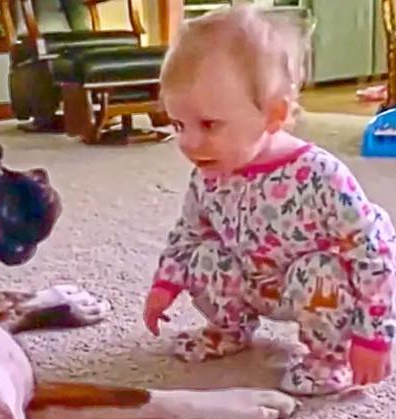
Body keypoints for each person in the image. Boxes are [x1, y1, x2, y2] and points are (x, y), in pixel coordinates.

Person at [143, 6, 396, 395]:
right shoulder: (209, 173)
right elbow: (188, 234)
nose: (189, 143)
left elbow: (374, 251)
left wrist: (375, 336)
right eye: (179, 125)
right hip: (248, 279)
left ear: (273, 114)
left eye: (209, 124)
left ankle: (328, 360)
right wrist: (165, 284)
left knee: (324, 272)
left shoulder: (320, 175)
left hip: (308, 287)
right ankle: (229, 330)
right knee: (206, 255)